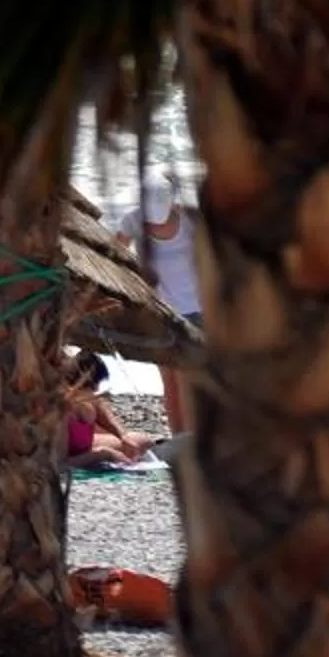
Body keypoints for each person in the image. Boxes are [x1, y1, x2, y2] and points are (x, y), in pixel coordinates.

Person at [115, 168, 203, 430]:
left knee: (189, 379)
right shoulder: (133, 221)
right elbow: (113, 255)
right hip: (160, 311)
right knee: (169, 379)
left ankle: (192, 439)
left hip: (196, 310)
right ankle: (178, 438)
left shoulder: (191, 219)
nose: (155, 226)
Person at [64, 353, 159, 469]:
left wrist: (123, 436)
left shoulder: (90, 401)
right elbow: (58, 465)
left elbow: (104, 416)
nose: (97, 389)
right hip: (68, 456)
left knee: (142, 441)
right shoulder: (60, 409)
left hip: (85, 447)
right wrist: (102, 454)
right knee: (106, 453)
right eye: (95, 385)